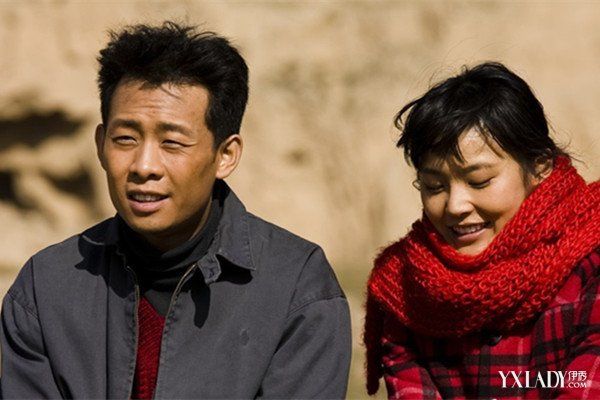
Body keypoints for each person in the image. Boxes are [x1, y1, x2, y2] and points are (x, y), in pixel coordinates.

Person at [0, 21, 351, 399]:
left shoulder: (296, 288)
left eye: (172, 143)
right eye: (125, 139)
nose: (144, 166)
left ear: (226, 155)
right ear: (100, 145)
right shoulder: (46, 287)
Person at [364, 62, 600, 399]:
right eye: (434, 186)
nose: (455, 206)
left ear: (540, 166)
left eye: (479, 181)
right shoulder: (405, 286)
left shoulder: (591, 261)